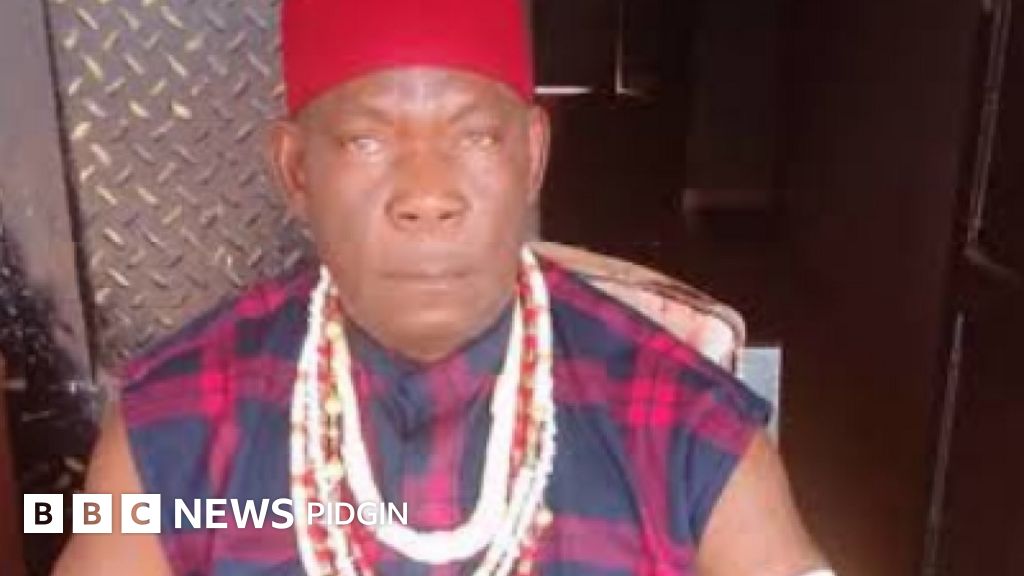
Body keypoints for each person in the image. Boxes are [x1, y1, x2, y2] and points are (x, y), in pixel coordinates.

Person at [55, 0, 830, 574]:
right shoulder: (172, 426)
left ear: (532, 156)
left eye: (476, 135)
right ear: (296, 170)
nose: (427, 195)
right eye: (366, 140)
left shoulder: (689, 428)